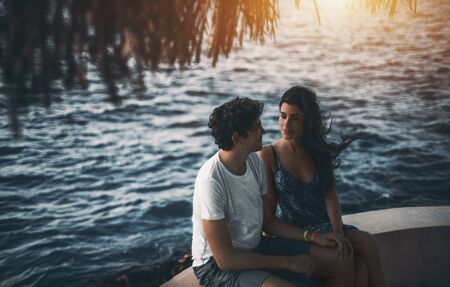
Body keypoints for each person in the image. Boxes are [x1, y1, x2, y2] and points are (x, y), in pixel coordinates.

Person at [191, 97, 357, 287]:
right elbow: (225, 259)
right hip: (216, 268)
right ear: (238, 138)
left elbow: (267, 221)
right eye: (257, 127)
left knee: (340, 259)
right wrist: (286, 262)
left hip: (254, 247)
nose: (264, 131)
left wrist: (313, 236)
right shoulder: (211, 179)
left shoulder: (253, 162)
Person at [258, 86, 387, 287]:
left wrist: (338, 235)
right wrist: (316, 237)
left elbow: (331, 197)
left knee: (367, 243)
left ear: (307, 121)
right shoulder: (268, 155)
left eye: (295, 118)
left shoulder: (318, 151)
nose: (286, 124)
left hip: (325, 225)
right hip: (295, 233)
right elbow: (268, 218)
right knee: (350, 264)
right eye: (283, 116)